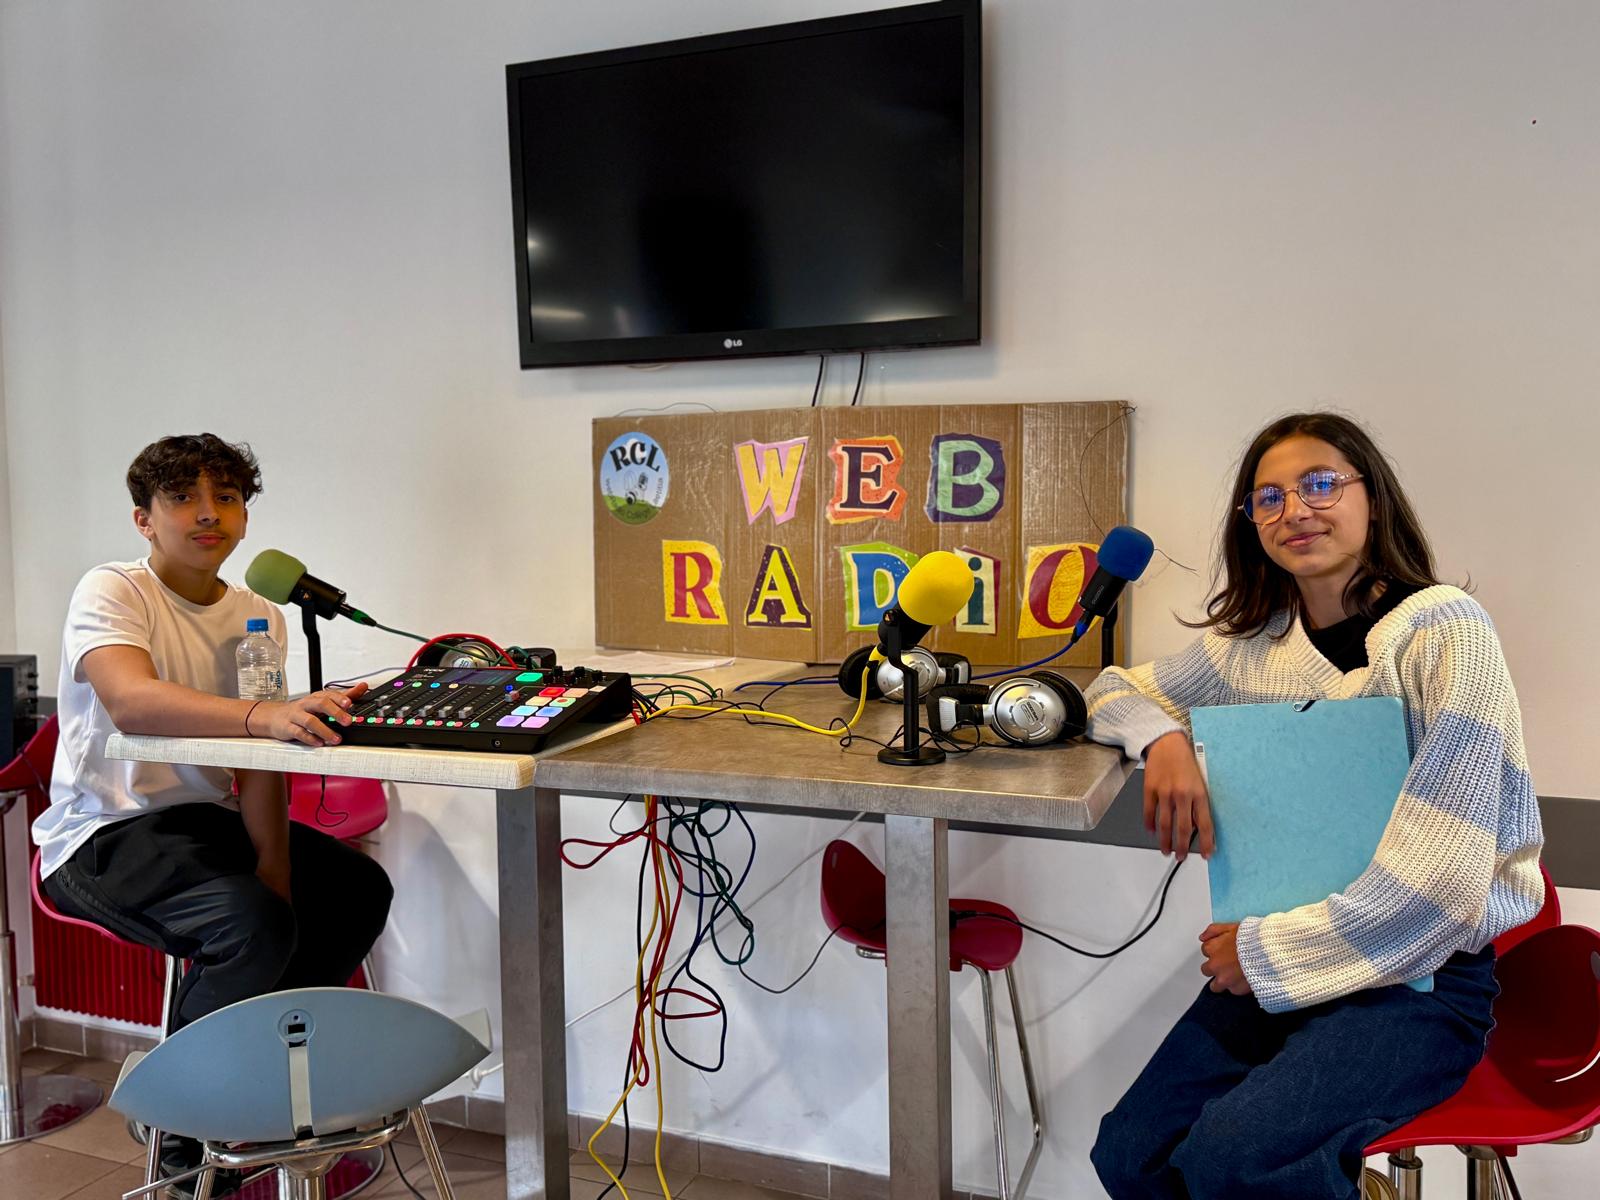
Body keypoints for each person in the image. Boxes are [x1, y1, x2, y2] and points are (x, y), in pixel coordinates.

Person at [1084, 413, 1543, 1200]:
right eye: (1268, 497)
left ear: (1374, 499)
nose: (1294, 510)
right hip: (1280, 957)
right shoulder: (1252, 645)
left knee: (1239, 1158)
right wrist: (1163, 741)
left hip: (1421, 976)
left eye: (1321, 483)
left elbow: (1439, 887)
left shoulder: (1443, 633)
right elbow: (1112, 690)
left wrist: (1260, 955)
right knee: (1129, 1152)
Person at [33, 433, 392, 1193]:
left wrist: (276, 871)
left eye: (226, 498)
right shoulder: (113, 590)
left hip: (205, 826)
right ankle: (186, 1147)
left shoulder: (260, 613)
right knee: (248, 921)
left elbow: (261, 757)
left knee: (355, 891)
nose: (209, 515)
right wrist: (264, 718)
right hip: (103, 834)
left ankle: (258, 1090)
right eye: (185, 499)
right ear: (144, 519)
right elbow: (131, 701)